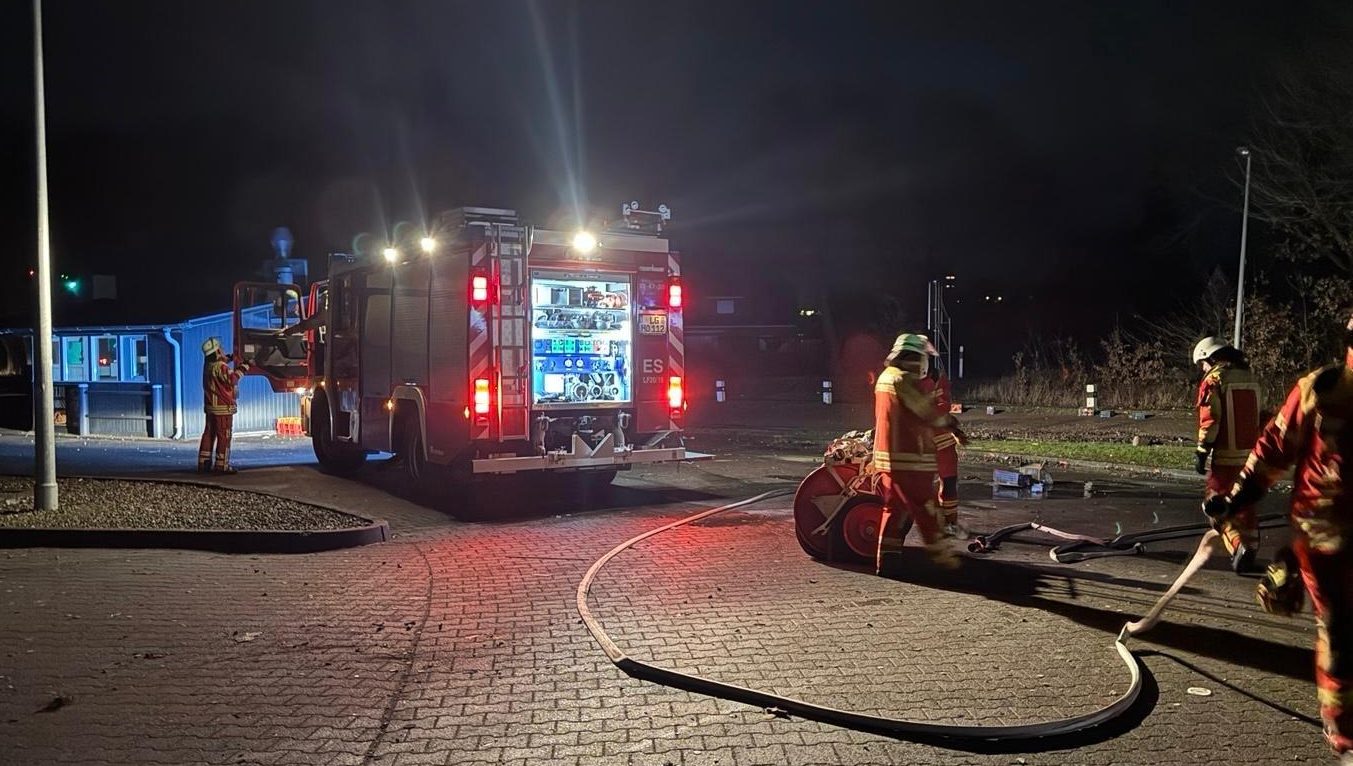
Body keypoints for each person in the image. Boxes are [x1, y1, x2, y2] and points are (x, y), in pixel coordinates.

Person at [1204, 313, 1353, 760]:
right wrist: (1235, 500)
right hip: (1326, 536)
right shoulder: (1321, 391)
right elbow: (1273, 447)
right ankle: (1344, 733)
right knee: (1341, 633)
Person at [873, 333, 962, 574]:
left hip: (887, 458)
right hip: (909, 459)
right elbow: (926, 412)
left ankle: (887, 561)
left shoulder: (885, 377)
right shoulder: (902, 380)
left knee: (894, 510)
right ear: (913, 357)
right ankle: (946, 563)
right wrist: (951, 424)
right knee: (927, 509)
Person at [1191, 336, 1263, 573]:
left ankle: (1238, 545)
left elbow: (1211, 419)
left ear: (1211, 358)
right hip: (1251, 457)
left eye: (1203, 363)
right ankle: (1251, 546)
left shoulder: (1214, 380)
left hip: (1226, 458)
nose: (1203, 369)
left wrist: (1202, 450)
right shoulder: (1250, 377)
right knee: (1245, 503)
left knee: (1214, 505)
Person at [922, 349, 967, 535]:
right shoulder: (908, 381)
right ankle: (936, 522)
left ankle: (949, 523)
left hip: (941, 443)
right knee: (924, 487)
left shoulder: (937, 380)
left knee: (948, 484)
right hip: (924, 444)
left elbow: (943, 406)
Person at [198, 337, 250, 474]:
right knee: (224, 436)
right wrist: (244, 367)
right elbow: (232, 379)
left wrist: (232, 357)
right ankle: (222, 466)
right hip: (223, 409)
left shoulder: (208, 366)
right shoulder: (221, 367)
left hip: (211, 408)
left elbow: (221, 363)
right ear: (216, 352)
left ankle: (204, 463)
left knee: (209, 434)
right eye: (220, 348)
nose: (222, 349)